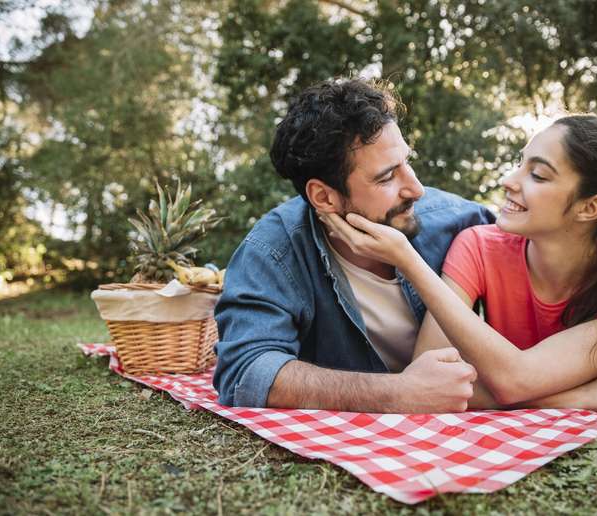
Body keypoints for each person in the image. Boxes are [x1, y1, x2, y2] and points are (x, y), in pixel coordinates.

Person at [321, 114, 597, 409]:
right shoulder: (478, 246)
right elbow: (434, 376)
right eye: (520, 162)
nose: (510, 181)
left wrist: (409, 262)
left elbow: (513, 382)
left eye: (539, 175)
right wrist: (592, 395)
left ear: (590, 207)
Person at [212, 78, 494, 411]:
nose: (416, 189)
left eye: (408, 161)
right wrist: (398, 393)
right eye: (387, 177)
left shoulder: (461, 223)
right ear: (324, 197)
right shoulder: (273, 251)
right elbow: (245, 372)